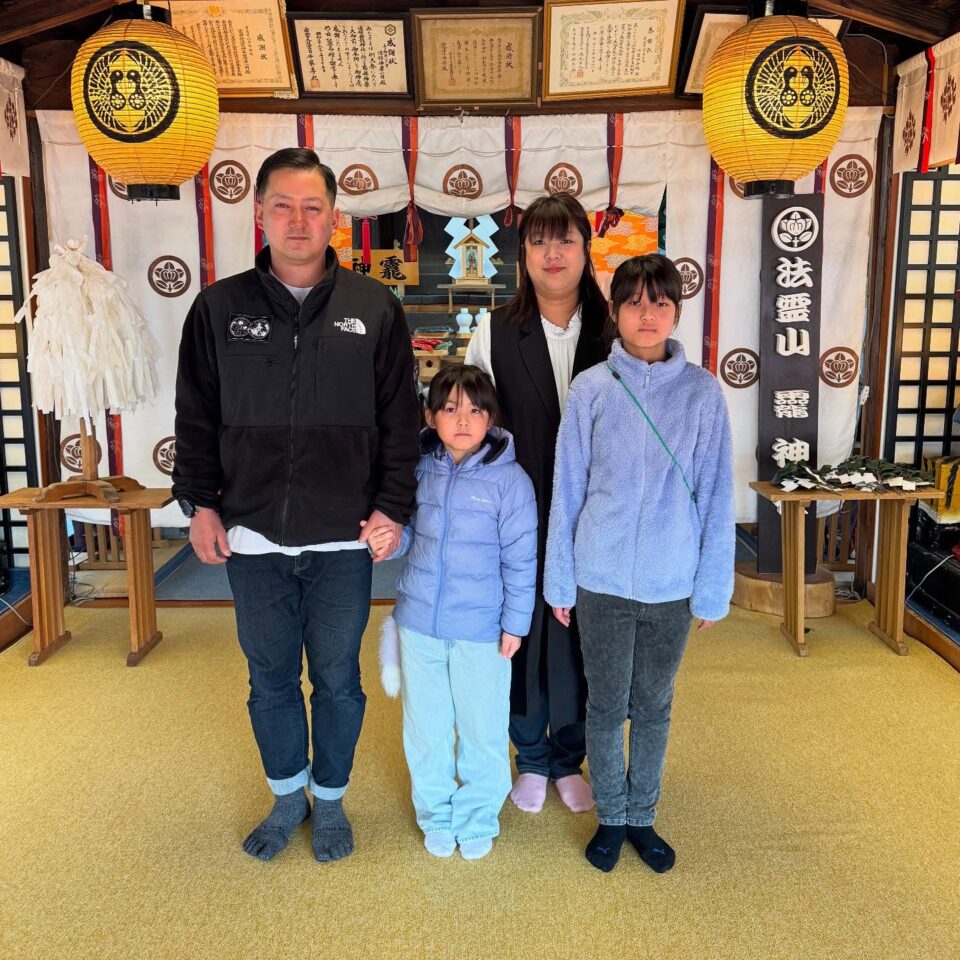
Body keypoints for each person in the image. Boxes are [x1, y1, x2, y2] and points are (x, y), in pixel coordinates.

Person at [172, 148, 420, 864]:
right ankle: (287, 794)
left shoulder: (375, 309)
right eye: (283, 204)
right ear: (258, 213)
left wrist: (392, 508)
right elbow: (195, 415)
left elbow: (400, 422)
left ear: (335, 219)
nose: (298, 219)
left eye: (314, 207)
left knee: (338, 677)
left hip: (344, 539)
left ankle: (333, 799)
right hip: (251, 536)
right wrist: (201, 504)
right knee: (271, 675)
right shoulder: (219, 308)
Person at [544, 254, 735, 873]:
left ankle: (643, 815)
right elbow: (567, 488)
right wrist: (559, 580)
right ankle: (612, 816)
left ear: (677, 311)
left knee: (653, 702)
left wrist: (711, 589)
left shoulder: (704, 394)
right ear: (616, 312)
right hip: (599, 578)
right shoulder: (592, 389)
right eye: (633, 303)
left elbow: (716, 493)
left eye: (659, 303)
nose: (646, 315)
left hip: (671, 582)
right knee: (604, 704)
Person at [465, 193, 608, 815]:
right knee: (520, 632)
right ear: (522, 255)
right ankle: (529, 753)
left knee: (580, 634)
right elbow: (471, 426)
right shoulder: (493, 331)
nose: (553, 253)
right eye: (539, 241)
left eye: (566, 240)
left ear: (585, 250)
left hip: (597, 513)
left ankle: (569, 754)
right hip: (518, 512)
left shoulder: (616, 329)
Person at [367, 365, 537, 861]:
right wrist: (388, 539)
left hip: (482, 629)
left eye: (475, 409)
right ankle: (436, 814)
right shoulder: (417, 469)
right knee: (427, 726)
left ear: (491, 418)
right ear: (430, 415)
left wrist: (515, 624)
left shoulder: (511, 482)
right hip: (418, 622)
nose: (463, 419)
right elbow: (408, 537)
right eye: (450, 408)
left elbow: (521, 560)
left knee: (483, 727)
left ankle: (479, 815)